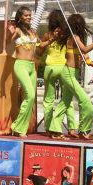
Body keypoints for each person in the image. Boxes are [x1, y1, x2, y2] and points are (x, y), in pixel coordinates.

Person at [48, 13, 93, 140]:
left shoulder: (73, 37)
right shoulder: (74, 37)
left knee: (65, 103)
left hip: (72, 72)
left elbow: (84, 56)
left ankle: (54, 129)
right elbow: (84, 50)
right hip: (68, 72)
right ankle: (84, 130)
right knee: (85, 102)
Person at [6, 6, 46, 138]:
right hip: (21, 65)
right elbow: (7, 42)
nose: (29, 17)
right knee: (30, 95)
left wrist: (50, 41)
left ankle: (20, 128)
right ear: (20, 17)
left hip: (32, 66)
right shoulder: (17, 30)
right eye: (26, 15)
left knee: (31, 97)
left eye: (30, 15)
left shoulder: (33, 32)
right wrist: (8, 32)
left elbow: (40, 49)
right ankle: (17, 126)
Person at [38, 9, 69, 139]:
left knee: (48, 99)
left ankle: (48, 128)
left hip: (49, 67)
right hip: (63, 67)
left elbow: (39, 52)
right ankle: (59, 127)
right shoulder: (66, 35)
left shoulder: (47, 35)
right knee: (66, 98)